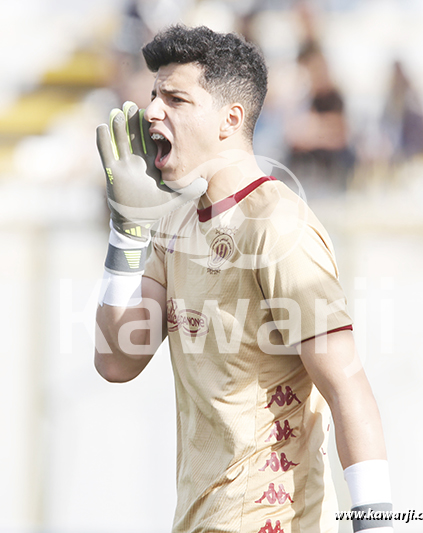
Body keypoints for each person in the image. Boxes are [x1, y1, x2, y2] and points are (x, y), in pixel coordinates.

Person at [95, 25, 393, 533]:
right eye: (153, 95)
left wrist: (378, 524)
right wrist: (127, 232)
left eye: (175, 98)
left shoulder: (278, 225)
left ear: (230, 120)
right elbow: (117, 360)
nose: (151, 112)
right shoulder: (176, 223)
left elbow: (345, 382)